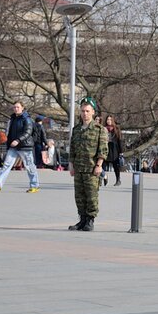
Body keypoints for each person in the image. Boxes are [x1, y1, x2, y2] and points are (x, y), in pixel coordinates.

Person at [68, 97, 108, 231]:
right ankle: (82, 219)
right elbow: (72, 148)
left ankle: (90, 220)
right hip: (79, 167)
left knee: (91, 196)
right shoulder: (77, 129)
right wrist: (71, 164)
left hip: (92, 168)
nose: (85, 113)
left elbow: (103, 149)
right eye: (83, 111)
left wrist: (99, 165)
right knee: (79, 196)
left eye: (87, 111)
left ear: (93, 112)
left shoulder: (99, 129)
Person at [0, 101, 41, 193]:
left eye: (18, 107)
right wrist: (9, 142)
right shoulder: (12, 118)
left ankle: (34, 185)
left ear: (22, 108)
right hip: (13, 146)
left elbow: (28, 132)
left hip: (25, 146)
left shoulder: (26, 119)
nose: (16, 109)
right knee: (6, 165)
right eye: (14, 107)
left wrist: (18, 140)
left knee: (29, 166)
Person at [103, 114, 124, 186]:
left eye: (110, 120)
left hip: (114, 150)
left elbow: (119, 140)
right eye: (107, 120)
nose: (108, 121)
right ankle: (104, 177)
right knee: (103, 165)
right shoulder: (103, 129)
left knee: (116, 166)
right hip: (106, 149)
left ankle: (118, 180)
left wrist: (121, 152)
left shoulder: (116, 129)